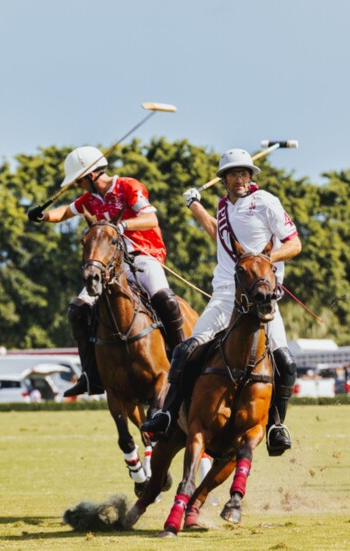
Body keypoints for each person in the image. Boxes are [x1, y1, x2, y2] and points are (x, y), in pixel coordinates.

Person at [141, 148, 302, 456]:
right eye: (233, 175)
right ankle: (168, 414)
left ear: (250, 177)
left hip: (262, 296)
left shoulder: (266, 202)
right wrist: (194, 206)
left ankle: (276, 425)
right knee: (185, 351)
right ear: (224, 180)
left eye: (244, 174)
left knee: (285, 361)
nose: (239, 179)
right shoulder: (222, 207)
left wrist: (264, 259)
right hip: (226, 293)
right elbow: (217, 234)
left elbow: (294, 243)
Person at [28, 146, 185, 397]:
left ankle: (183, 360)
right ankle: (90, 374)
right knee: (77, 309)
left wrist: (120, 226)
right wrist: (43, 216)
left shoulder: (128, 186)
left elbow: (151, 220)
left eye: (79, 180)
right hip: (111, 265)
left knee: (164, 299)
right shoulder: (88, 200)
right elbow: (65, 212)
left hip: (144, 255)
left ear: (91, 175)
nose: (78, 186)